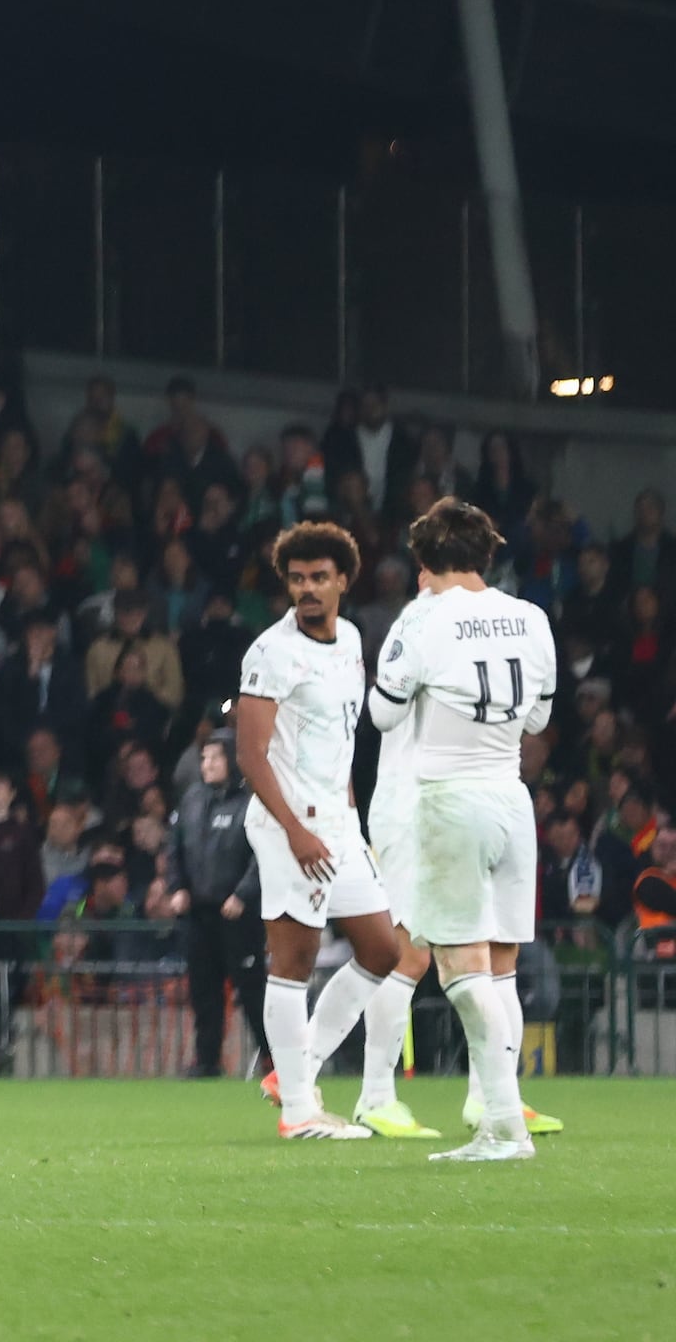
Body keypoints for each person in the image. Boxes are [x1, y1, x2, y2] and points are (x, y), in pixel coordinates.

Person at [367, 498, 557, 1161]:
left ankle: (505, 1126)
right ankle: (498, 1115)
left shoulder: (423, 623)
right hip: (512, 798)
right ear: (487, 554)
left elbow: (384, 715)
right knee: (501, 969)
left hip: (450, 799)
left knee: (459, 968)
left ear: (422, 561)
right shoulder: (531, 617)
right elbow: (536, 722)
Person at [232, 521, 416, 1139]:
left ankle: (296, 1068)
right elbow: (252, 756)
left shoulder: (353, 640)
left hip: (339, 821)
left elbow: (339, 742)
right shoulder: (270, 651)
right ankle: (298, 1114)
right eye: (296, 578)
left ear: (343, 580)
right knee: (294, 961)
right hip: (291, 825)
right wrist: (295, 831)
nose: (307, 588)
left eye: (318, 577)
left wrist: (349, 817)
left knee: (383, 948)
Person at [161, 732, 256, 1083]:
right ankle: (206, 1060)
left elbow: (263, 855)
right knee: (203, 991)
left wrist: (243, 894)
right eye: (204, 758)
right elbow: (174, 848)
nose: (208, 764)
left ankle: (275, 1061)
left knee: (252, 989)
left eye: (215, 757)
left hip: (238, 914)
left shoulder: (250, 801)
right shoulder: (191, 799)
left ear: (232, 759)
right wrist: (177, 887)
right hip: (198, 913)